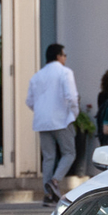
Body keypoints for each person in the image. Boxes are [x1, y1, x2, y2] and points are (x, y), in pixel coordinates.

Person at [27, 42, 80, 200]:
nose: (65, 58)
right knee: (69, 153)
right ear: (58, 56)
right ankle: (55, 181)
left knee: (48, 157)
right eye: (64, 55)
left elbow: (29, 101)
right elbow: (71, 96)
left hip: (42, 121)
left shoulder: (37, 76)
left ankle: (48, 194)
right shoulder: (65, 72)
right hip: (61, 119)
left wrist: (41, 112)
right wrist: (74, 114)